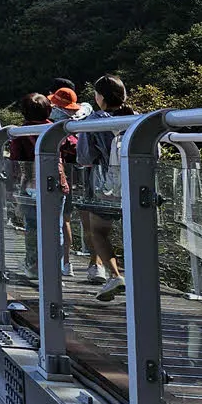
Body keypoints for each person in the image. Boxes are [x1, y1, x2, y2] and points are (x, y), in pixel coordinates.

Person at [78, 75, 134, 301]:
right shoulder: (136, 118)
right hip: (136, 183)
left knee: (98, 231)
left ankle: (115, 275)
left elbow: (84, 157)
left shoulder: (94, 121)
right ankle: (139, 278)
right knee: (135, 232)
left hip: (104, 185)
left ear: (99, 97)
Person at [8, 93, 70, 280]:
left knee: (32, 226)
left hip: (30, 185)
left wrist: (10, 187)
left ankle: (33, 265)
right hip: (56, 183)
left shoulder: (20, 132)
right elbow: (70, 148)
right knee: (55, 227)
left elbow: (14, 160)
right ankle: (54, 267)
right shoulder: (56, 129)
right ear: (48, 109)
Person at [46, 87, 83, 275]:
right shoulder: (76, 124)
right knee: (66, 219)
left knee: (56, 220)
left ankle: (56, 262)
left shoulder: (54, 126)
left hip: (56, 176)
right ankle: (66, 262)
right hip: (72, 176)